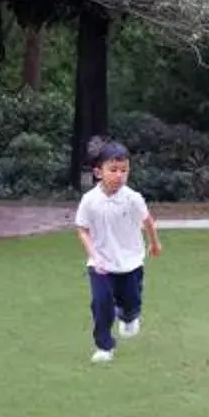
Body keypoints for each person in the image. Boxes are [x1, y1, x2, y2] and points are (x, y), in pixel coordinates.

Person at [74, 141, 160, 363]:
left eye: (124, 170)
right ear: (98, 172)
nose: (119, 175)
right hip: (101, 264)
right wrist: (94, 255)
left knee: (131, 302)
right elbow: (82, 230)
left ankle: (129, 316)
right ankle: (104, 346)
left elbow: (148, 221)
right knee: (101, 303)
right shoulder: (89, 201)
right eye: (113, 170)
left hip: (130, 262)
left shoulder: (132, 198)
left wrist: (154, 244)